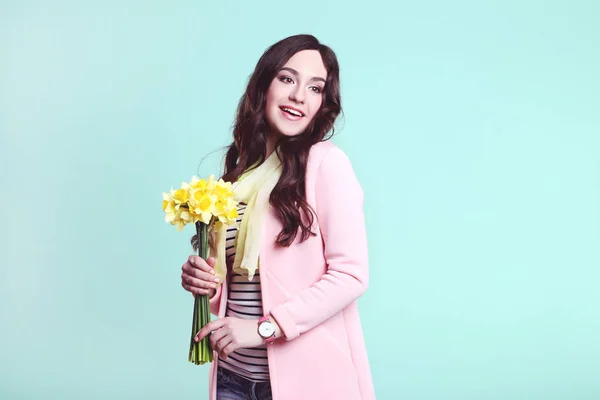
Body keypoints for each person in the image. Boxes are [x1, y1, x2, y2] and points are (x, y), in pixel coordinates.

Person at [180, 34, 375, 400]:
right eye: (287, 79)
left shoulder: (326, 165)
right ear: (263, 86)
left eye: (315, 88)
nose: (299, 95)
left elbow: (351, 274)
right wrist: (204, 280)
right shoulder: (237, 177)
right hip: (232, 376)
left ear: (322, 103)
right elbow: (238, 282)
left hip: (305, 380)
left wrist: (264, 329)